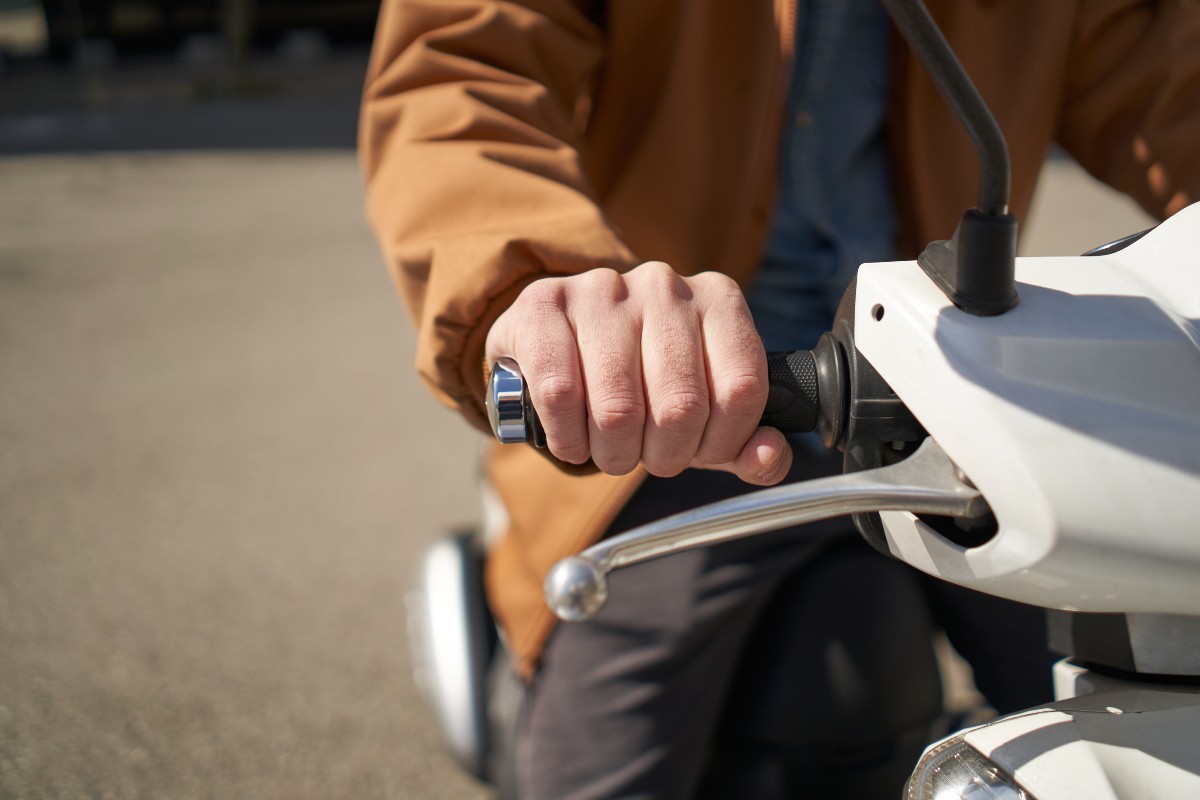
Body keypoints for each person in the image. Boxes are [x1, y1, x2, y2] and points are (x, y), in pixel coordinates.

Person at [360, 1, 1200, 797]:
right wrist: (548, 287)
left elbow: (1162, 76)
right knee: (604, 771)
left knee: (1155, 703)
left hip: (956, 399)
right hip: (672, 419)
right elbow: (461, 72)